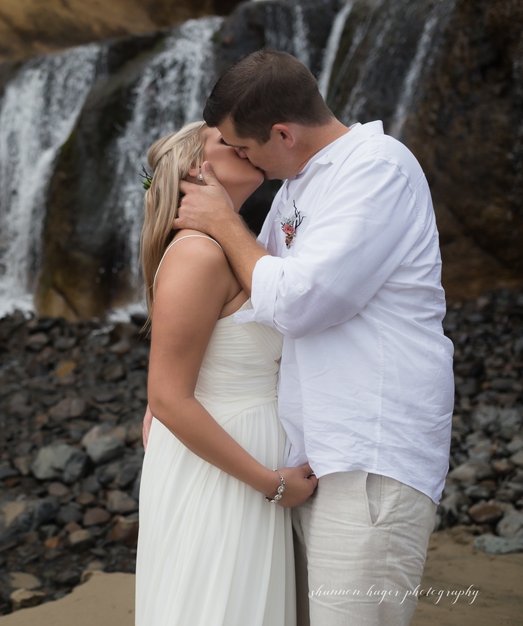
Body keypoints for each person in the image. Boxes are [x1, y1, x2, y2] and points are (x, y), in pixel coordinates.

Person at [166, 50, 455, 626]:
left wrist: (225, 221)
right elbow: (259, 301)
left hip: (368, 454)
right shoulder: (301, 184)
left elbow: (299, 303)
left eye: (244, 148)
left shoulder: (377, 168)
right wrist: (172, 392)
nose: (242, 158)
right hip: (311, 457)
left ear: (282, 132)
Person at [134, 120, 318, 626]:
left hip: (237, 455)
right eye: (227, 141)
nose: (245, 143)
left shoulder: (233, 246)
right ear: (199, 166)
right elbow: (169, 397)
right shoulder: (198, 253)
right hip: (226, 470)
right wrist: (272, 483)